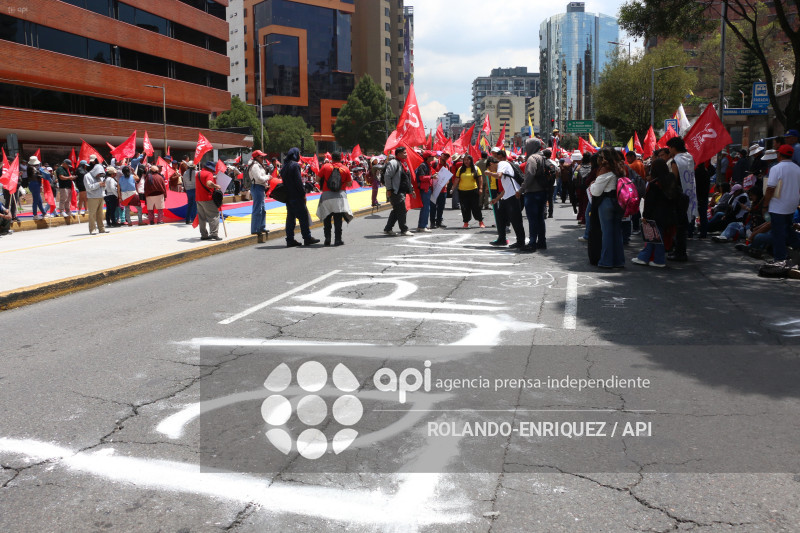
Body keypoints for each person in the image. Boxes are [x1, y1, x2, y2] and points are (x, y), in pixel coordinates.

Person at [631, 159, 678, 268]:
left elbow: (649, 203)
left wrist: (645, 216)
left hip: (655, 215)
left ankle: (656, 259)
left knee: (653, 237)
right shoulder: (670, 179)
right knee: (657, 237)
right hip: (668, 213)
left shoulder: (654, 184)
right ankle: (648, 257)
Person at [762, 144, 800, 266]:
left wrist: (765, 205)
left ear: (779, 154)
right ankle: (796, 247)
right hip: (792, 204)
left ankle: (779, 259)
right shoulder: (797, 168)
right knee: (788, 229)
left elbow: (770, 188)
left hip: (778, 205)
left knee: (778, 233)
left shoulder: (776, 168)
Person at [589, 147, 626, 268]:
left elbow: (596, 192)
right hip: (618, 202)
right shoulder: (620, 168)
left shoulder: (605, 170)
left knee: (607, 233)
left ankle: (606, 261)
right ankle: (619, 260)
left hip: (606, 203)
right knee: (617, 233)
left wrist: (593, 184)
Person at [281, 147, 320, 247]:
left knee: (290, 218)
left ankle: (290, 239)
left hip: (288, 196)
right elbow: (298, 182)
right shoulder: (295, 165)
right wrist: (303, 194)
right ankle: (307, 238)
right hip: (296, 196)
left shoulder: (284, 167)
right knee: (303, 217)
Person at [485, 156, 526, 249]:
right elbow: (505, 189)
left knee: (516, 220)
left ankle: (521, 241)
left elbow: (498, 176)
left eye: (490, 168)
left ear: (491, 164)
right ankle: (502, 239)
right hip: (507, 195)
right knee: (500, 217)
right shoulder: (501, 167)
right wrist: (497, 199)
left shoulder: (502, 164)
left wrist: (490, 173)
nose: (491, 170)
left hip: (514, 195)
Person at [666, 137, 696, 262]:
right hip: (689, 194)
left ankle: (680, 253)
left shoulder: (675, 161)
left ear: (674, 147)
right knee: (683, 226)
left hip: (678, 196)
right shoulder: (689, 158)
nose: (669, 150)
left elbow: (674, 179)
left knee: (679, 226)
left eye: (669, 148)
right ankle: (681, 251)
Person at [317, 152, 354, 246]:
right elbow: (350, 183)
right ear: (340, 158)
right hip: (340, 197)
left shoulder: (325, 167)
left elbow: (317, 179)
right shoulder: (345, 168)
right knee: (338, 219)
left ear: (332, 159)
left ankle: (327, 239)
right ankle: (338, 240)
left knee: (327, 218)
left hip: (326, 196)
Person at [518, 139, 548, 251]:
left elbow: (529, 175)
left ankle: (532, 243)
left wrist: (521, 190)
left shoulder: (532, 158)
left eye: (527, 145)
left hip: (532, 193)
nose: (526, 148)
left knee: (532, 219)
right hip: (542, 192)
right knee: (540, 218)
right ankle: (541, 242)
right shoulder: (543, 157)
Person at [383, 146, 415, 236]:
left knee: (397, 210)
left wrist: (411, 189)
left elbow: (406, 178)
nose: (406, 154)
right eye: (404, 153)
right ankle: (404, 230)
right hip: (396, 191)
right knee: (401, 210)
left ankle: (388, 229)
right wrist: (389, 189)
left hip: (402, 191)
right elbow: (387, 176)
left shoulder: (403, 163)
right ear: (399, 154)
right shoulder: (393, 163)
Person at [453, 154, 485, 228]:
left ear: (471, 160)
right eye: (464, 160)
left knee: (476, 207)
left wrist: (480, 188)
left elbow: (480, 179)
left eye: (468, 160)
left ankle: (480, 221)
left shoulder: (476, 168)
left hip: (473, 191)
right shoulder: (460, 169)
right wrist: (453, 188)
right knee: (464, 208)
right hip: (462, 192)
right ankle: (466, 222)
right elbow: (457, 179)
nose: (466, 161)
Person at [196, 161, 222, 241]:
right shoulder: (209, 174)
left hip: (198, 198)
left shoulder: (198, 173)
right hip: (207, 198)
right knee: (214, 215)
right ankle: (214, 234)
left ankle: (204, 235)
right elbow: (208, 183)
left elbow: (203, 180)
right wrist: (216, 186)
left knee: (202, 218)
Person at [247, 150, 271, 236]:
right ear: (256, 157)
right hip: (257, 187)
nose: (263, 158)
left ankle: (261, 226)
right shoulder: (255, 166)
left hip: (259, 187)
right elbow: (258, 178)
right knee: (258, 209)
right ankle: (255, 228)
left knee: (262, 209)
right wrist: (268, 177)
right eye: (261, 157)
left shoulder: (257, 165)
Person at [83, 159, 107, 234]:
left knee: (100, 214)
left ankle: (101, 228)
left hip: (100, 196)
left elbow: (102, 186)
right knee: (92, 214)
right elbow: (88, 188)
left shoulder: (100, 177)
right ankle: (92, 229)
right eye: (99, 173)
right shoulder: (87, 176)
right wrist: (98, 184)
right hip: (92, 197)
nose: (99, 175)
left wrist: (103, 185)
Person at [415, 151, 435, 232]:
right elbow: (421, 178)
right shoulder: (423, 165)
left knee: (426, 207)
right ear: (428, 157)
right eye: (432, 156)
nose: (433, 157)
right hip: (425, 189)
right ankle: (422, 226)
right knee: (426, 208)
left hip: (427, 188)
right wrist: (431, 176)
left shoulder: (427, 165)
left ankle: (422, 225)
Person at [430, 152, 450, 228]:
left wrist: (447, 184)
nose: (445, 157)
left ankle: (439, 222)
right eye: (444, 155)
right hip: (434, 189)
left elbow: (447, 177)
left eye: (447, 156)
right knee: (433, 207)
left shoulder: (447, 165)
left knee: (441, 207)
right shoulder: (434, 163)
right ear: (441, 155)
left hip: (443, 190)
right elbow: (429, 174)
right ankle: (432, 222)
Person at [26, 156, 47, 220]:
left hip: (34, 184)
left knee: (39, 200)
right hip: (35, 184)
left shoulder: (32, 168)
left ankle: (44, 213)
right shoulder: (32, 168)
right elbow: (38, 176)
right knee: (36, 200)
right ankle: (35, 214)